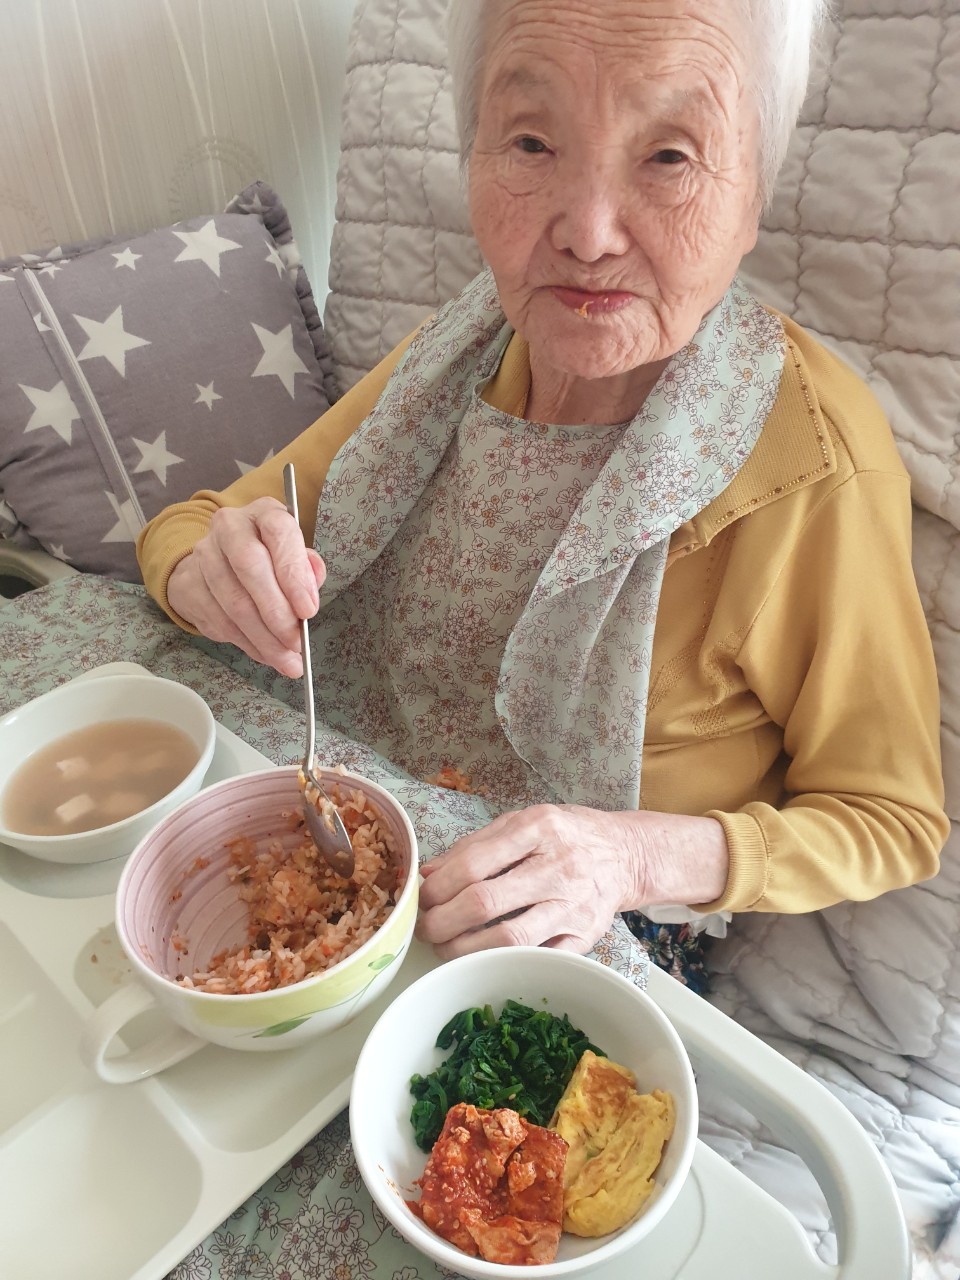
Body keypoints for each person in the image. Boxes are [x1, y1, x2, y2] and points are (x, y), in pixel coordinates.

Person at [138, 0, 947, 973]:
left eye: (669, 156)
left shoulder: (812, 458)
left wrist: (629, 855)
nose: (590, 234)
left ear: (754, 195)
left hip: (573, 945)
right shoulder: (463, 346)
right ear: (474, 153)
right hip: (345, 846)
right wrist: (210, 572)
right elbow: (197, 526)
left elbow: (890, 818)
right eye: (531, 142)